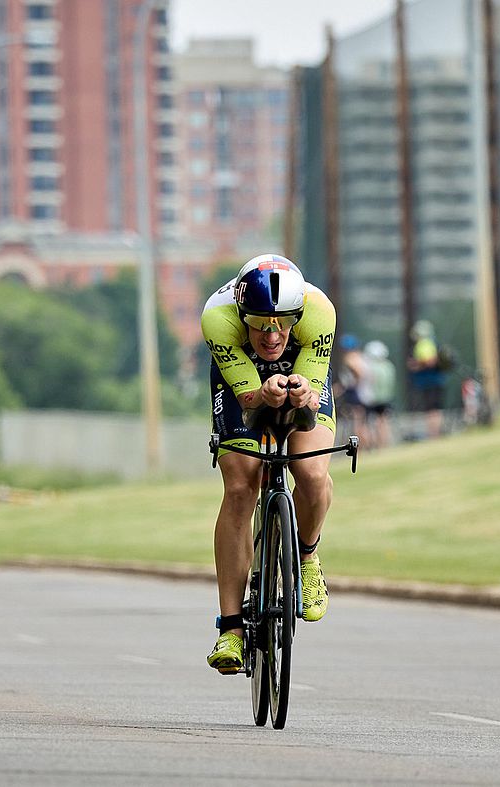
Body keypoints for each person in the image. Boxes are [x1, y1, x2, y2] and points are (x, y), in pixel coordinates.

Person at [201, 253, 336, 674]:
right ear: (243, 314)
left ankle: (308, 556)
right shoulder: (218, 319)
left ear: (298, 316)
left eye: (281, 324)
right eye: (259, 323)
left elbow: (311, 402)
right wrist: (262, 394)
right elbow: (248, 400)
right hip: (241, 380)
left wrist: (302, 394)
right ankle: (232, 629)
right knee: (241, 485)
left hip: (298, 377)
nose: (271, 334)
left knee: (312, 471)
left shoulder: (320, 314)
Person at [407, 320, 445, 439]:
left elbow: (430, 361)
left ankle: (434, 434)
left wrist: (416, 364)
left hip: (430, 382)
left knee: (432, 409)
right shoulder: (432, 343)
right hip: (435, 381)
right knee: (435, 408)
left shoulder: (425, 343)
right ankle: (435, 434)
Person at [360, 340, 395, 449]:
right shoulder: (389, 366)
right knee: (384, 422)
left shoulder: (370, 366)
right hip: (386, 398)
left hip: (373, 399)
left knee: (370, 423)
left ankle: (374, 446)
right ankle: (383, 445)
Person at [334, 334, 367, 441]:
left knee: (357, 422)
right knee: (360, 420)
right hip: (360, 392)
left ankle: (361, 447)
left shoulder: (349, 357)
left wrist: (350, 385)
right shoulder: (359, 356)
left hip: (353, 393)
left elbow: (358, 373)